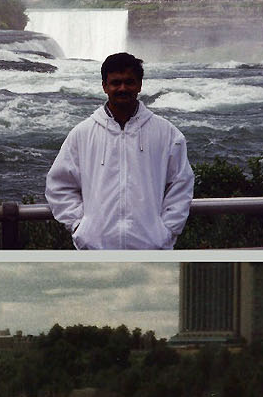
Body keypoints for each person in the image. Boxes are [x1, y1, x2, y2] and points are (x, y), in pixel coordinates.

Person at [45, 52, 194, 249]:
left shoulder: (167, 134)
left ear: (140, 85)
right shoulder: (82, 133)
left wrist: (165, 231)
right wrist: (80, 227)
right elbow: (59, 185)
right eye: (116, 83)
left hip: (151, 249)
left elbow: (181, 184)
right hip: (96, 250)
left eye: (129, 82)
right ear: (105, 86)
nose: (122, 88)